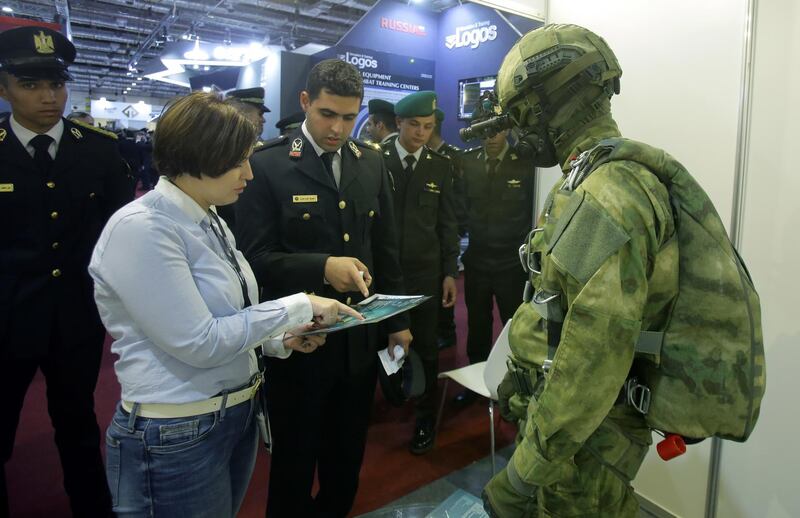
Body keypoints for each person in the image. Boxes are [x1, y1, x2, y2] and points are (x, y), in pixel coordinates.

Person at [89, 91, 360, 517]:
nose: (249, 173)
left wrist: (277, 340)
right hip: (175, 430)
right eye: (237, 161)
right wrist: (299, 305)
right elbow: (199, 341)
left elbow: (228, 319)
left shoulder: (208, 218)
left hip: (229, 416)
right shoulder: (143, 229)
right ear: (199, 157)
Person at [481, 24, 676, 516]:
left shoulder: (604, 197)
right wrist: (519, 373)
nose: (519, 128)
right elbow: (556, 303)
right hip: (568, 429)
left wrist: (523, 475)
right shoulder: (584, 180)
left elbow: (593, 357)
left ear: (553, 102)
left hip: (584, 441)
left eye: (523, 111)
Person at [235, 58, 412, 517]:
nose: (338, 129)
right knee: (293, 465)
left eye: (349, 117)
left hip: (357, 341)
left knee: (345, 461)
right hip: (298, 343)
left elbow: (386, 250)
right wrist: (323, 266)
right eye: (327, 114)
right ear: (305, 103)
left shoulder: (369, 163)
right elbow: (253, 262)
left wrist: (399, 323)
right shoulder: (267, 165)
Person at [0, 26, 134, 516]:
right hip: (8, 319)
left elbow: (122, 233)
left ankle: (92, 507)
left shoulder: (97, 150)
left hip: (75, 317)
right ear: (4, 87)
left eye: (56, 85)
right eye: (31, 85)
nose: (48, 97)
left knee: (78, 424)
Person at [381, 91, 459, 454]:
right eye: (415, 125)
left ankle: (426, 417)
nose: (421, 133)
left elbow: (447, 225)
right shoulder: (375, 161)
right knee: (386, 341)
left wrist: (448, 272)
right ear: (399, 123)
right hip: (383, 273)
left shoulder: (440, 166)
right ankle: (395, 390)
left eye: (428, 127)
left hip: (426, 274)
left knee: (427, 347)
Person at [454, 98, 534, 407]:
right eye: (484, 131)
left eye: (496, 131)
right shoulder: (469, 162)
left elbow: (531, 213)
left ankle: (514, 386)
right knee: (477, 323)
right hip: (477, 259)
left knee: (515, 325)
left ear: (507, 131)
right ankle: (478, 381)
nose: (490, 138)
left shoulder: (523, 164)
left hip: (510, 263)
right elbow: (462, 209)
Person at [427, 108, 465, 351]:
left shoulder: (453, 158)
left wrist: (457, 228)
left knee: (447, 277)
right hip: (432, 230)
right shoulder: (427, 158)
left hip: (451, 228)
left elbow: (459, 199)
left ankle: (447, 330)